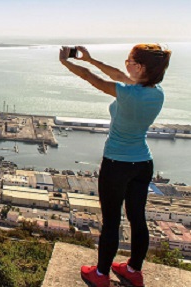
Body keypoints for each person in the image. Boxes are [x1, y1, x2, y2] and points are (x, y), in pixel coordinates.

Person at [59, 44, 171, 287]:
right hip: (143, 163)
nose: (125, 63)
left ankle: (100, 275)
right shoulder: (156, 93)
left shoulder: (128, 93)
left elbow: (92, 80)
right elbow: (118, 76)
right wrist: (90, 59)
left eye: (130, 60)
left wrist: (67, 63)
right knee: (137, 218)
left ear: (140, 67)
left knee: (111, 221)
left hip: (117, 164)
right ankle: (133, 270)